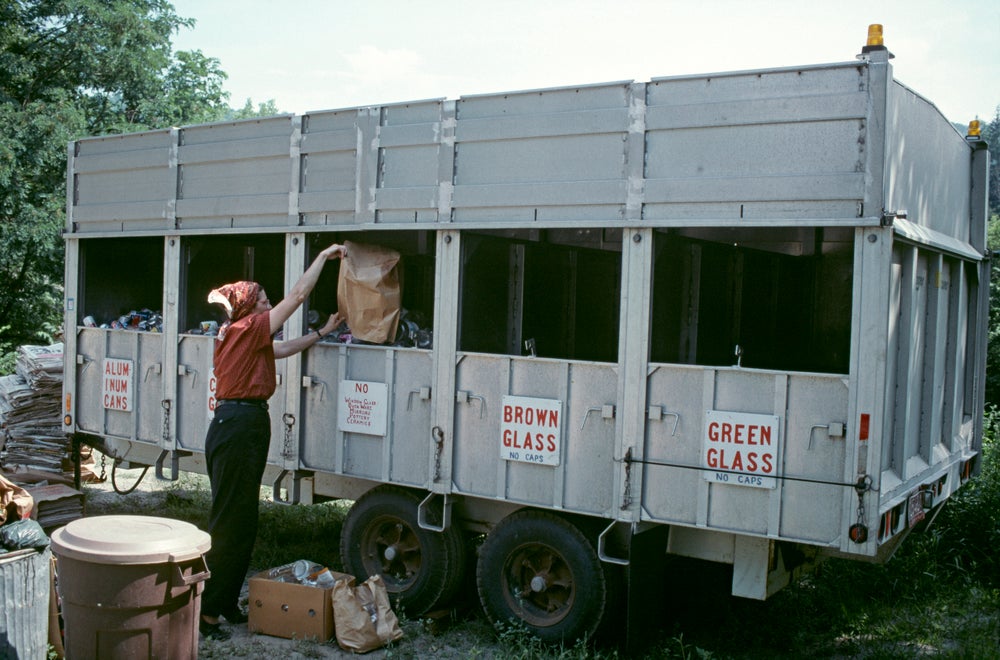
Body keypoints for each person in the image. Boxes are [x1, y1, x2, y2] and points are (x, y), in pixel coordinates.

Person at [199, 243, 346, 641]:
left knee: (243, 520)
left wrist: (324, 332)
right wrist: (323, 256)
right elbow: (297, 296)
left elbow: (284, 349)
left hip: (241, 424)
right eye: (263, 298)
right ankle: (207, 613)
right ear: (248, 306)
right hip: (238, 426)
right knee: (230, 522)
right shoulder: (247, 328)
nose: (268, 302)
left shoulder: (245, 336)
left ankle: (226, 602)